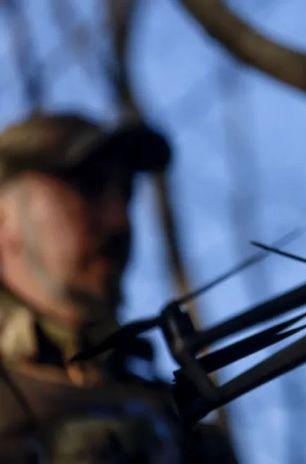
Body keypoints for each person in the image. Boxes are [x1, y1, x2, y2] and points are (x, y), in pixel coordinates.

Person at [0, 113, 236, 463]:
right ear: (5, 218)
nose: (119, 221)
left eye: (125, 193)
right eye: (89, 186)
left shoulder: (173, 416)